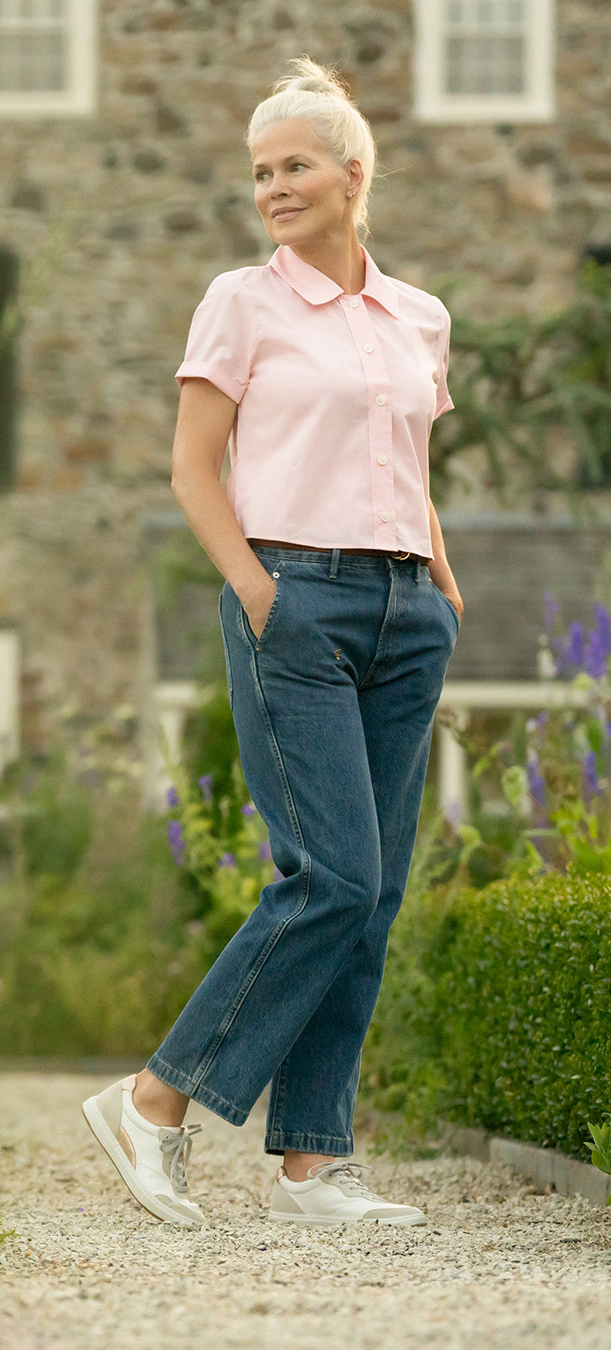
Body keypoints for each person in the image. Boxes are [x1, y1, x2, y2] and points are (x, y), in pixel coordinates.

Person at [83, 58, 463, 1229]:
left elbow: (410, 466)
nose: (274, 188)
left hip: (407, 613)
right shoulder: (240, 302)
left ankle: (313, 1162)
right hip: (291, 594)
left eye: (295, 165)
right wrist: (256, 592)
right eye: (260, 172)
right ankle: (153, 1102)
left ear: (354, 175)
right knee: (332, 874)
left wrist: (445, 591)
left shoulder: (419, 317)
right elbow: (196, 470)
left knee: (376, 890)